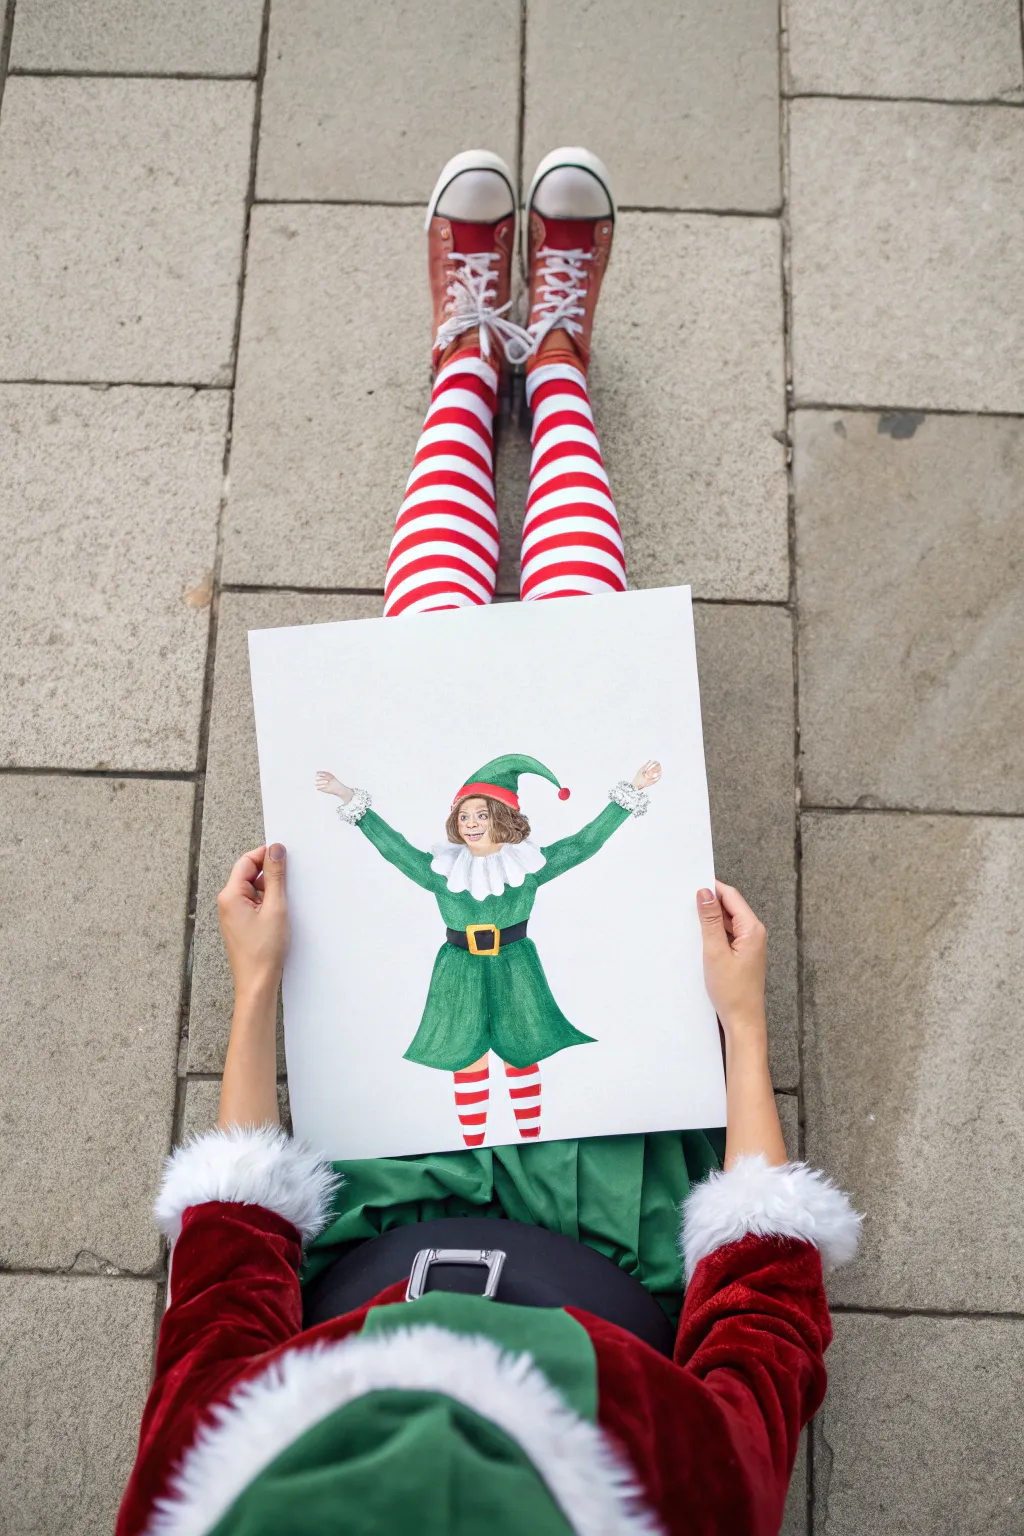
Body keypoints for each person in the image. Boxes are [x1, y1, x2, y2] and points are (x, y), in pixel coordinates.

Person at [116, 148, 860, 1536]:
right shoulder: (693, 1497)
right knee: (570, 649)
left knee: (432, 661)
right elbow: (765, 1295)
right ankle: (556, 369)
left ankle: (468, 369)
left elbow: (227, 1259)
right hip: (614, 1187)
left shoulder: (191, 1481)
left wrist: (258, 988)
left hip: (373, 1179)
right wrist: (741, 1027)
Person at [313, 753, 663, 1145]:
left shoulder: (529, 866)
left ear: (503, 817)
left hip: (516, 967)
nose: (471, 824)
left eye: (481, 815)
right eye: (464, 816)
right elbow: (394, 848)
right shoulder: (441, 871)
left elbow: (583, 844)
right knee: (465, 1057)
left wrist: (631, 791)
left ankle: (531, 1142)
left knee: (522, 1052)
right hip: (458, 971)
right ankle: (472, 1146)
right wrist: (347, 797)